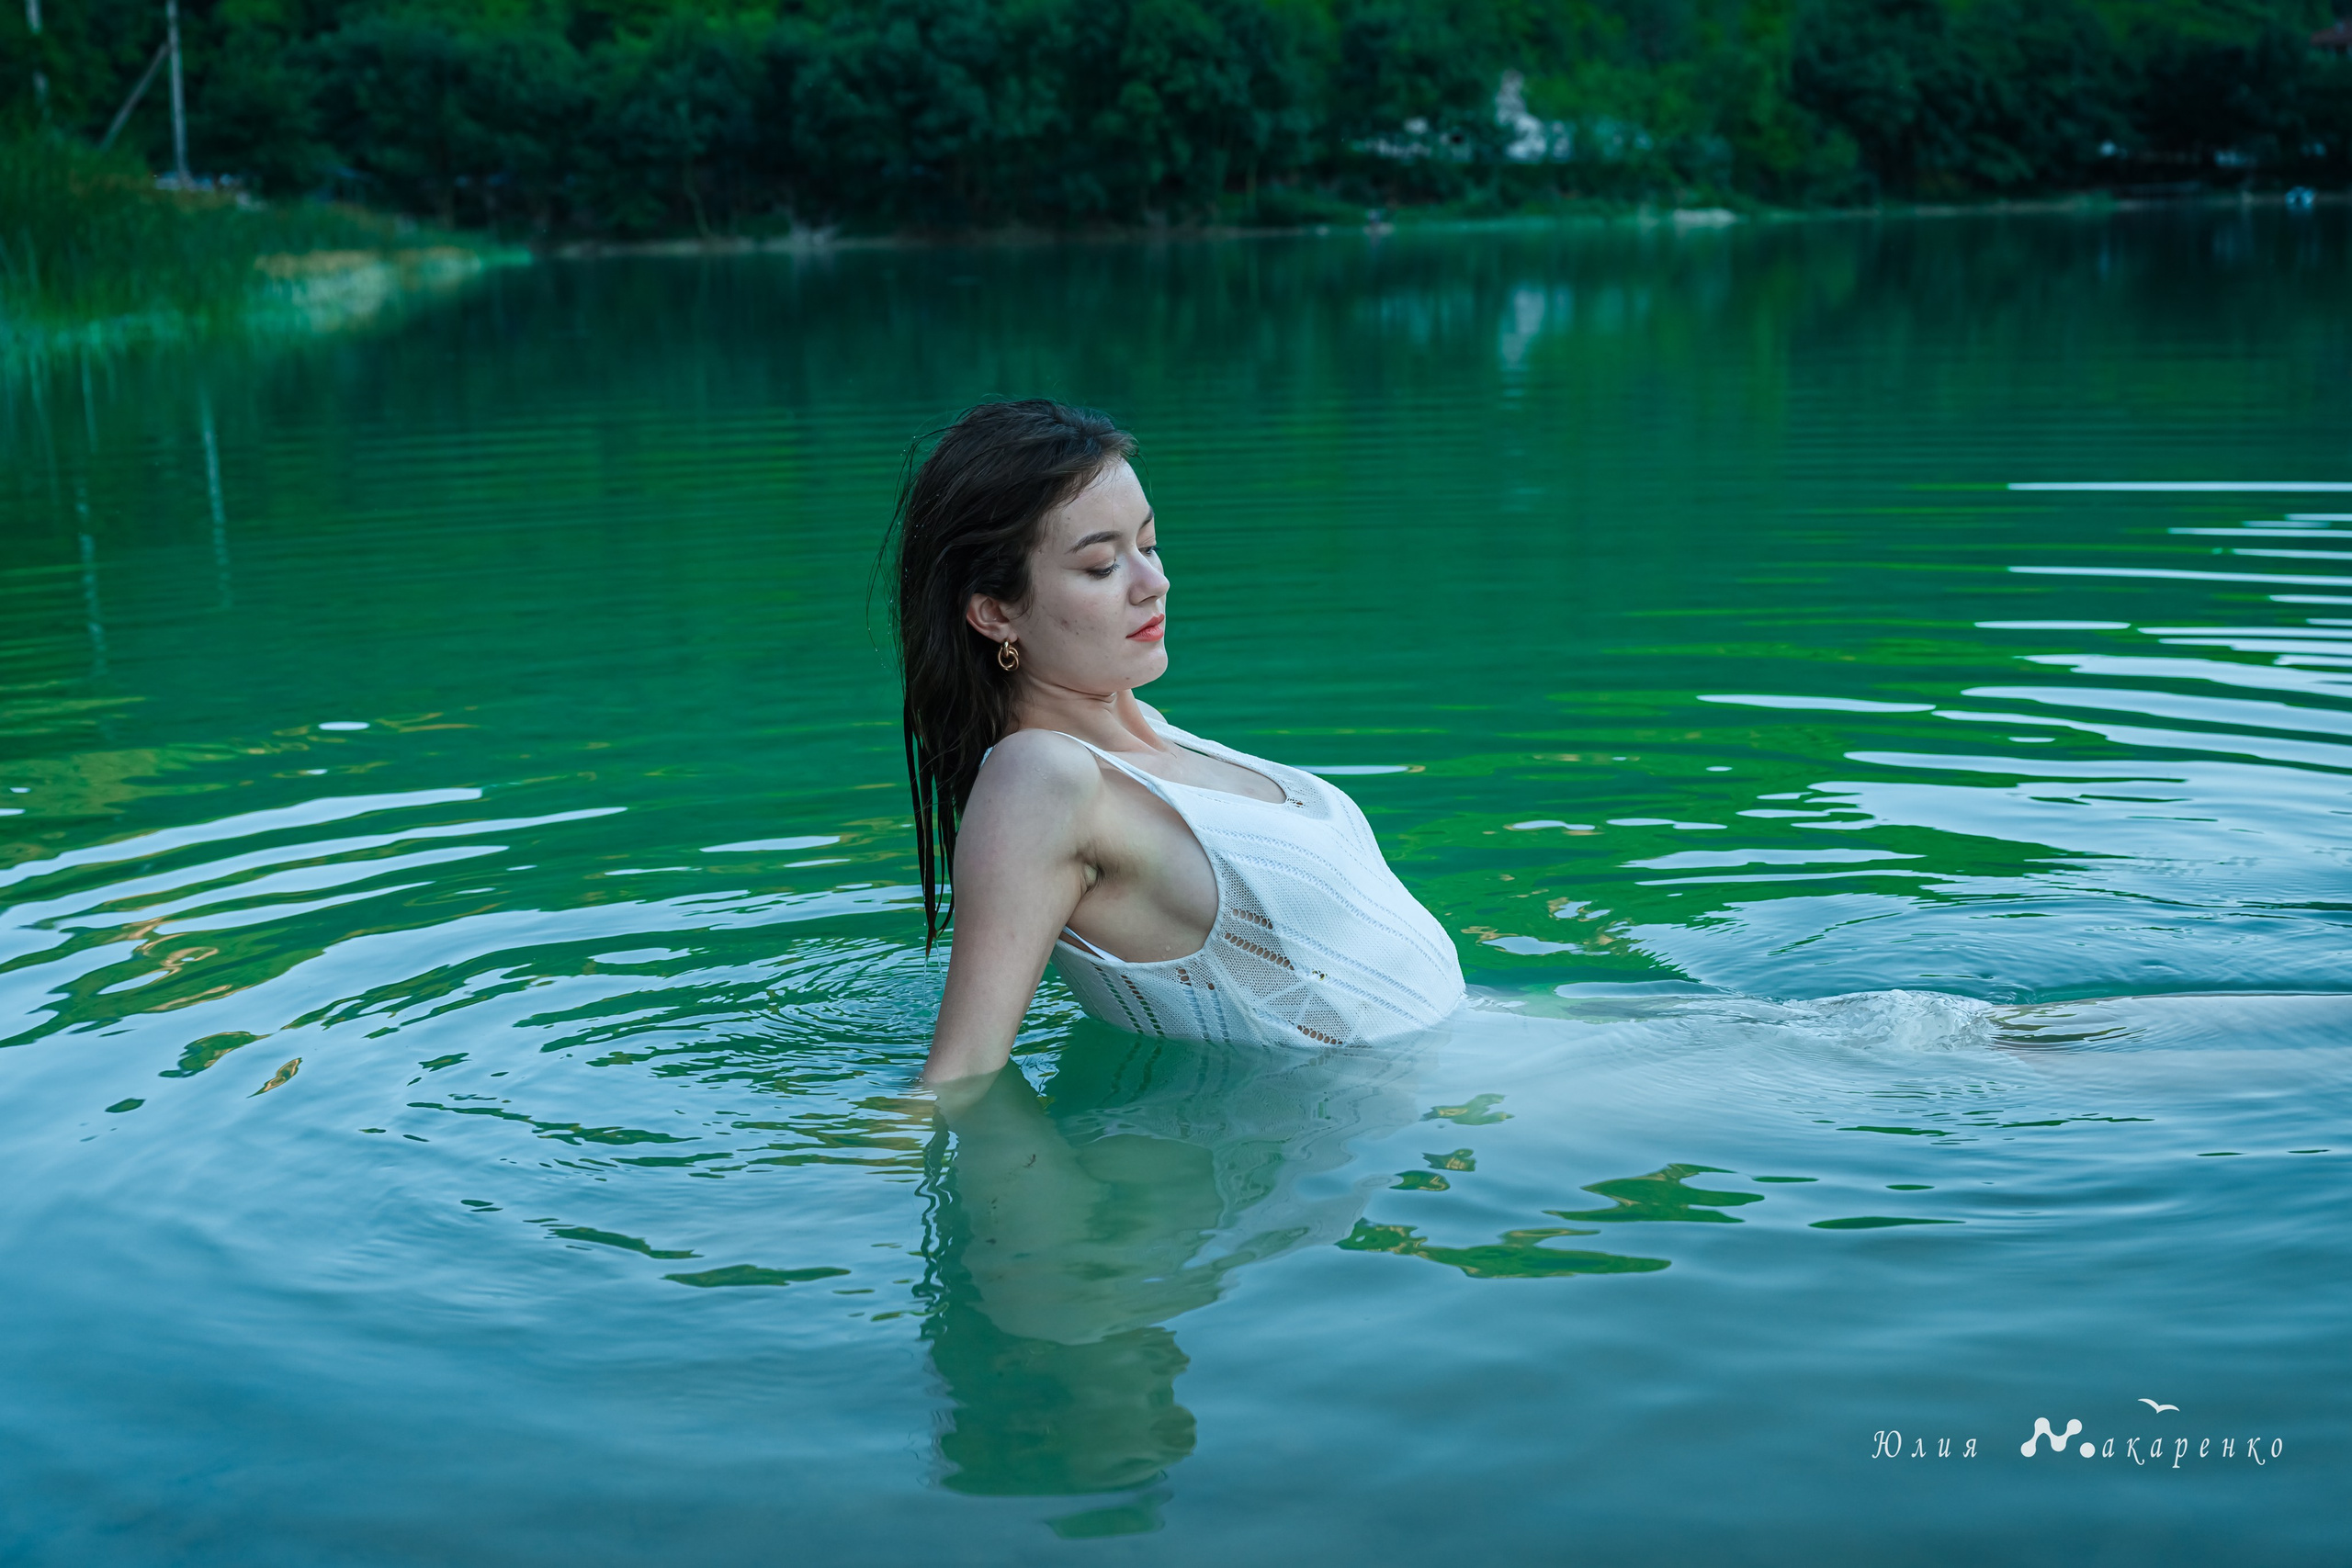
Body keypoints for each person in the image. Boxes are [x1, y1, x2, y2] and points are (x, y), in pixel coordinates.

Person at [888, 399, 1464, 1087]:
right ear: (995, 612)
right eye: (1102, 565)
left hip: (1475, 1074)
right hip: (1381, 1122)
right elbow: (959, 1078)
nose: (1154, 582)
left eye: (1149, 544)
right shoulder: (1040, 777)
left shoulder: (1155, 736)